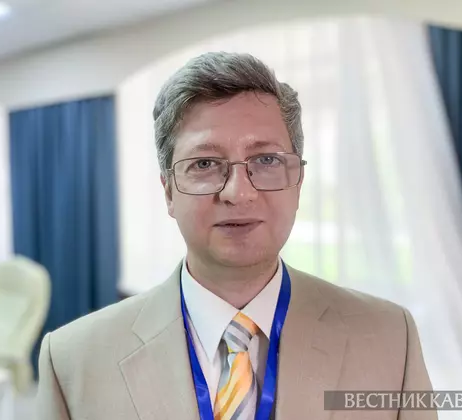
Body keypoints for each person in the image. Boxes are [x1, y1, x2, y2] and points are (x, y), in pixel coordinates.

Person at [36, 52, 436, 420]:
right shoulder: (73, 361)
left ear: (298, 182)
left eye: (266, 160)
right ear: (169, 191)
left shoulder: (390, 338)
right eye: (205, 164)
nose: (238, 193)